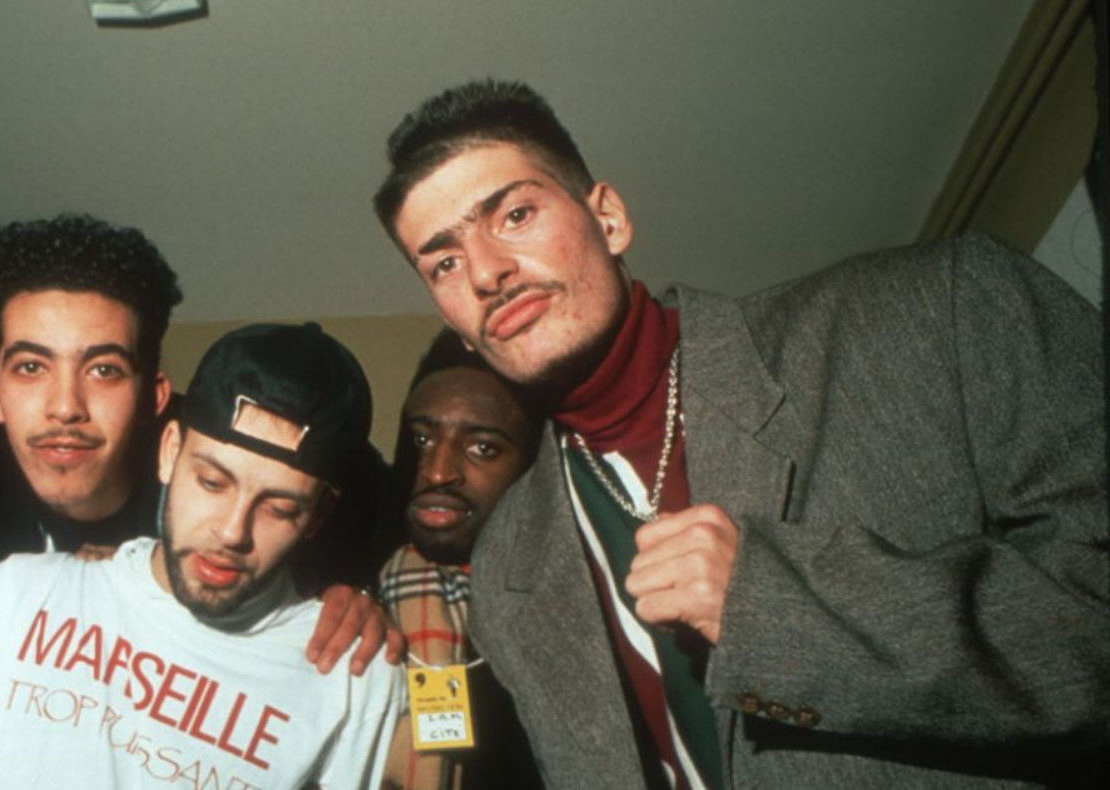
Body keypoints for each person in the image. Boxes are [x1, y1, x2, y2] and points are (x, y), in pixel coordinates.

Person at [372, 79, 1108, 788]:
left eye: (515, 215)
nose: (487, 272)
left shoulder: (936, 311)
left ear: (610, 218)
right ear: (456, 326)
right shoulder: (506, 564)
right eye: (444, 262)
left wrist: (776, 607)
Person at [0, 323, 405, 789]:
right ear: (170, 452)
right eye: (212, 482)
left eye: (279, 508)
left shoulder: (352, 677)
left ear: (318, 515)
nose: (231, 532)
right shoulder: (21, 593)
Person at [0, 214, 399, 675]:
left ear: (154, 398)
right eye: (30, 367)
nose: (65, 407)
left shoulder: (217, 441)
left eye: (103, 370)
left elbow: (383, 495)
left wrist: (357, 588)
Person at [377, 330, 542, 790]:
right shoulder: (351, 590)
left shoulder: (566, 620)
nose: (437, 471)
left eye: (482, 447)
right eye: (422, 439)